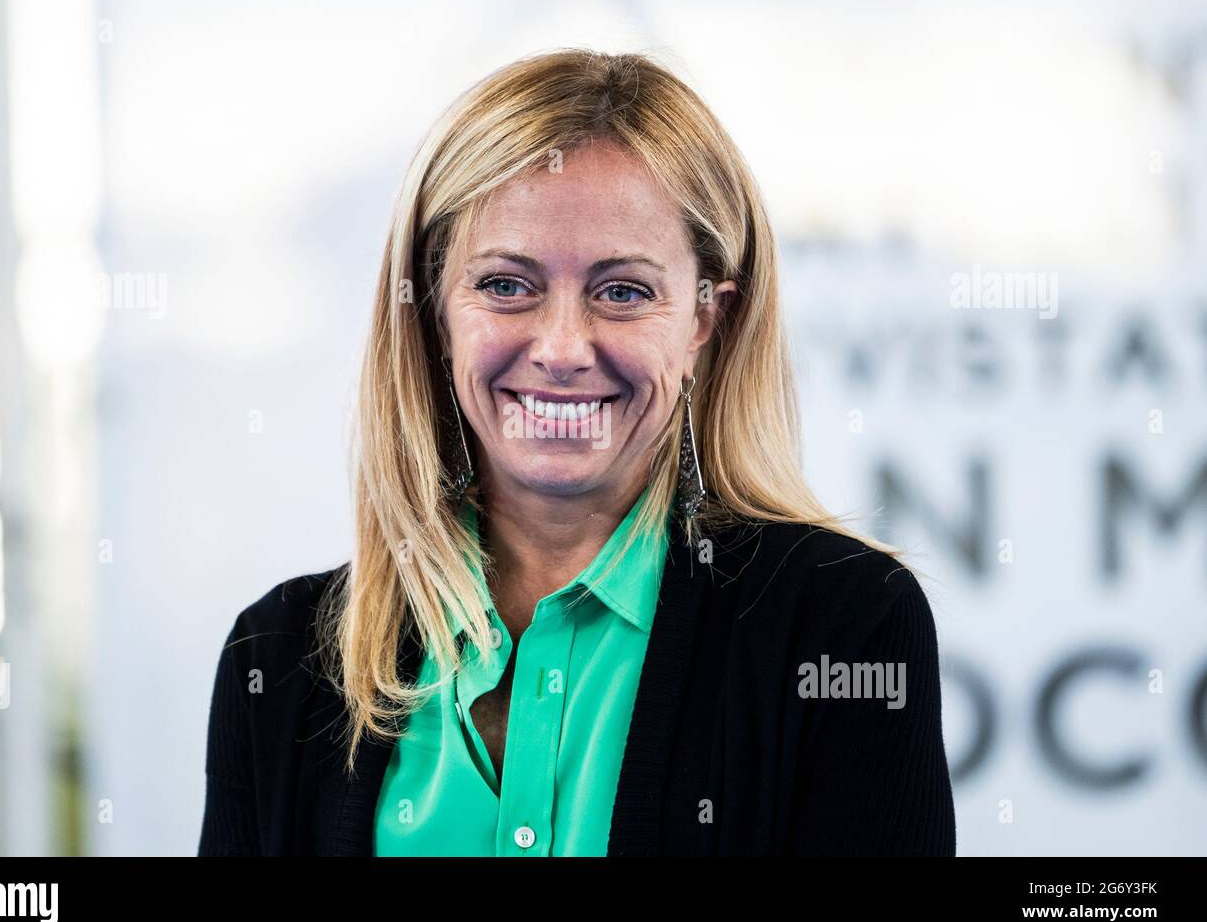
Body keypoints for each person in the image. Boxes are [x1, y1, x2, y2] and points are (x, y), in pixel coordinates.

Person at [198, 48, 956, 856]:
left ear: (706, 319)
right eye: (505, 285)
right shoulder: (279, 661)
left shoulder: (842, 622)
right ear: (433, 310)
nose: (561, 347)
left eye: (622, 291)